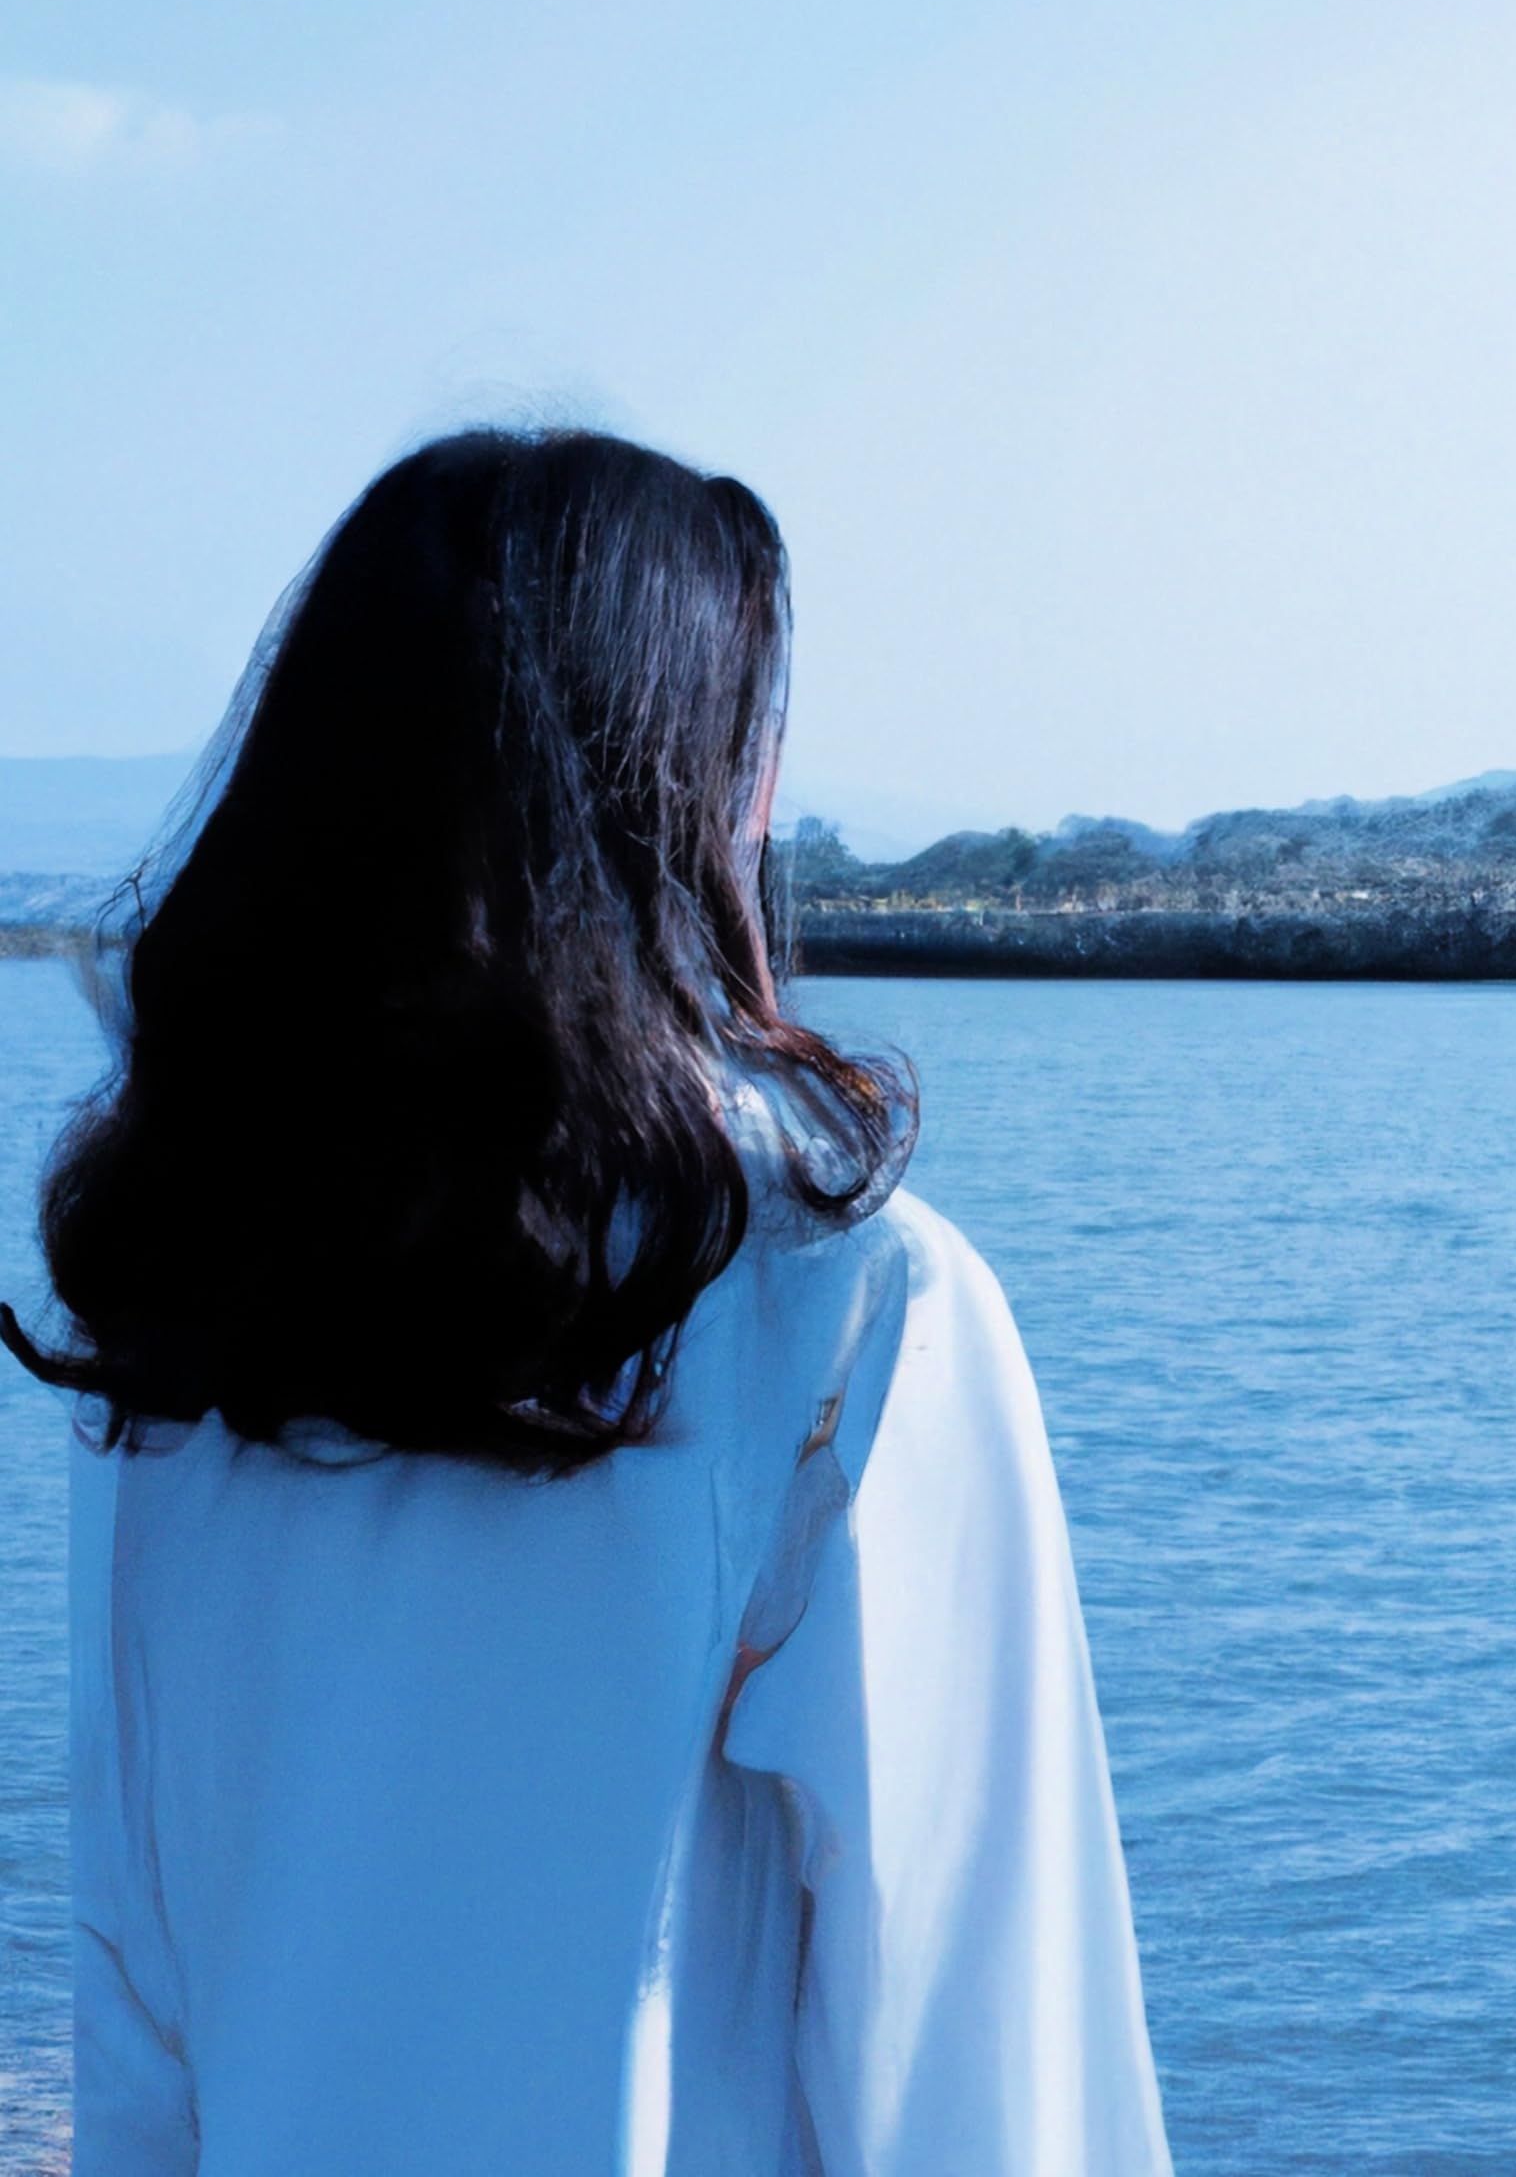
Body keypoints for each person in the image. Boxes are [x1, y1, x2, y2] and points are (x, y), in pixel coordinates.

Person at [3, 430, 1173, 2175]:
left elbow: (137, 2018)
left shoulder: (186, 1313)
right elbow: (992, 2072)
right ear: (686, 786)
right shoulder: (842, 1298)